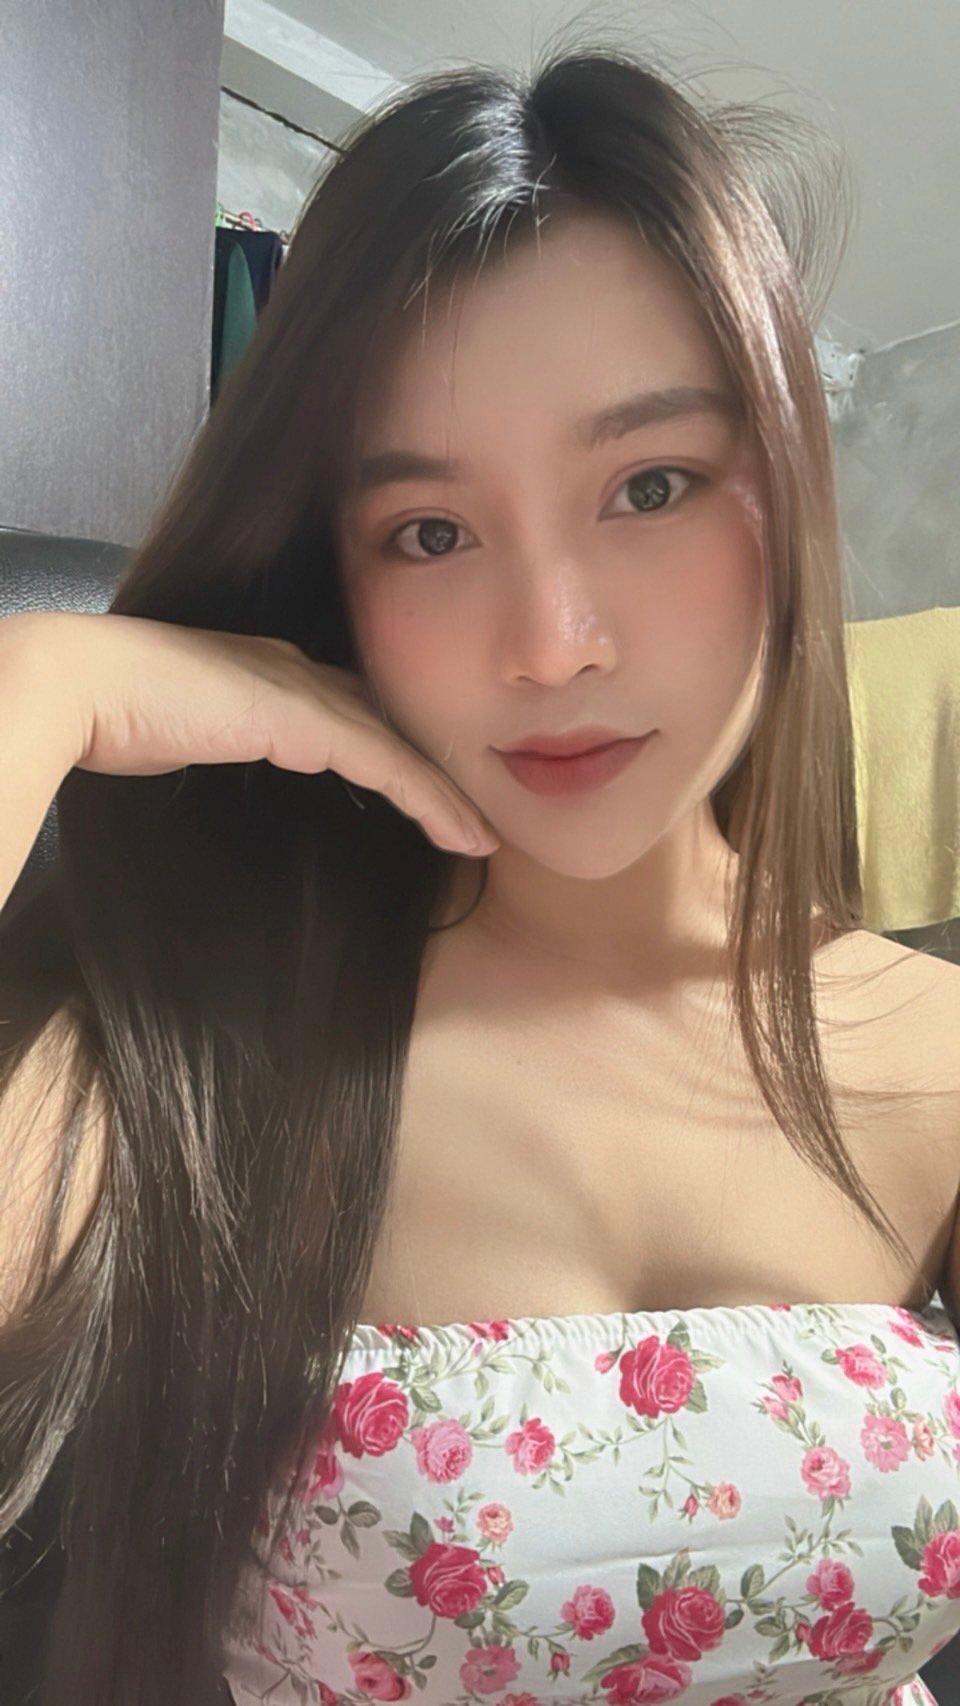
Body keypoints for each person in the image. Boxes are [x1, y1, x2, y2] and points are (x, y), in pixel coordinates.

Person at [1, 39, 958, 1706]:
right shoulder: (207, 1052)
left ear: (788, 487)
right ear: (339, 582)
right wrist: (42, 683)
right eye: (431, 532)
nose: (552, 644)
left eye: (649, 485)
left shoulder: (933, 1045)